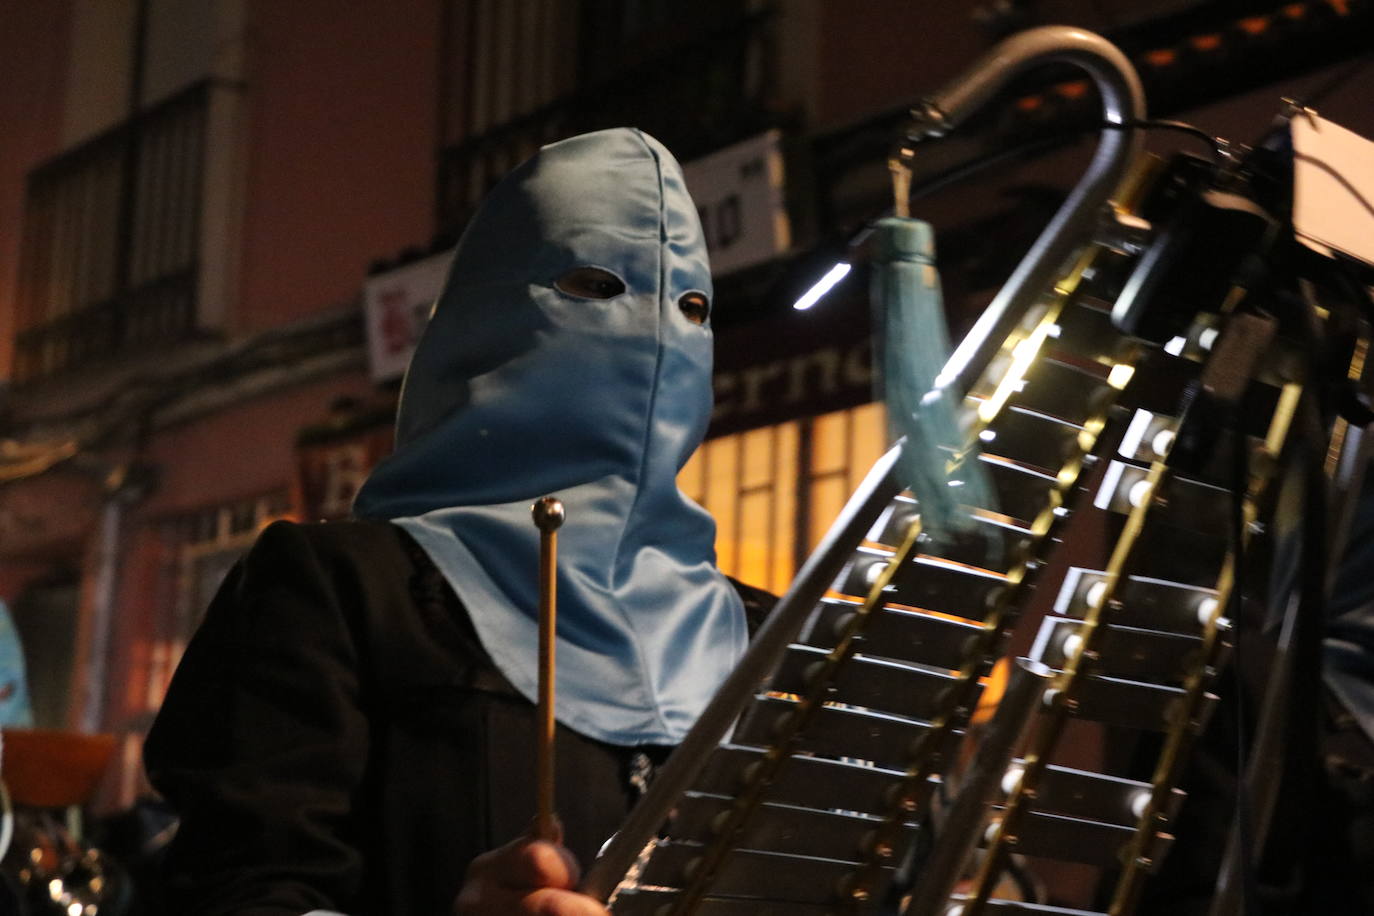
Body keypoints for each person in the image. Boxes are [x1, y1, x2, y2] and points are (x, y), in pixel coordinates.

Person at [144, 128, 770, 915]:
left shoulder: (767, 636)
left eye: (690, 307)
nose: (654, 336)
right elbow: (236, 887)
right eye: (593, 285)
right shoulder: (344, 591)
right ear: (485, 313)